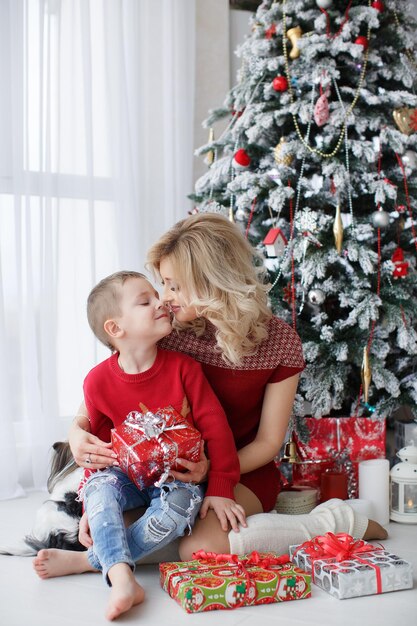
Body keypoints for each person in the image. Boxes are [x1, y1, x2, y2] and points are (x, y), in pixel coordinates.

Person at [37, 213, 387, 578]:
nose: (164, 298)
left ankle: (333, 522)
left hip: (241, 471)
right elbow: (108, 385)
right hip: (169, 474)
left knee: (197, 547)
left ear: (211, 280)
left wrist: (213, 472)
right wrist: (76, 432)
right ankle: (110, 559)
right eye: (161, 286)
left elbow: (269, 441)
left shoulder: (280, 343)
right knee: (114, 526)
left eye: (173, 285)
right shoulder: (168, 330)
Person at [33, 270, 244, 621]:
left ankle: (94, 561)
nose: (161, 301)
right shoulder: (98, 381)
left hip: (179, 479)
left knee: (175, 511)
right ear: (115, 329)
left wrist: (220, 486)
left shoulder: (184, 369)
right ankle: (124, 581)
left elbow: (216, 429)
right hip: (125, 474)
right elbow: (96, 451)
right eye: (145, 301)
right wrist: (90, 504)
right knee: (101, 489)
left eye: (156, 296)